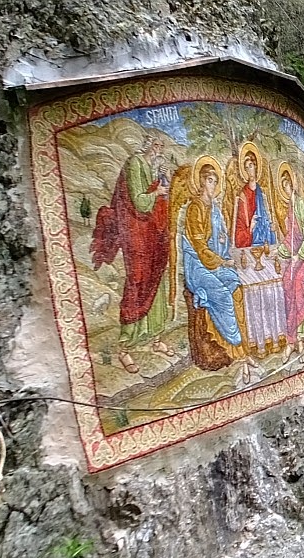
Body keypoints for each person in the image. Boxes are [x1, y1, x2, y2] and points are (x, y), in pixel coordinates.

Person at [90, 134, 176, 374]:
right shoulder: (135, 164)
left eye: (161, 146)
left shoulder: (153, 165)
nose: (158, 149)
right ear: (147, 145)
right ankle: (125, 346)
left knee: (157, 280)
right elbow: (138, 202)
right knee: (138, 281)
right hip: (137, 233)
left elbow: (162, 197)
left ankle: (155, 338)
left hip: (154, 233)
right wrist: (157, 191)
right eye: (156, 145)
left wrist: (164, 185)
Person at [178, 156, 258, 382]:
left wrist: (224, 244)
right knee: (222, 295)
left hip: (215, 262)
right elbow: (199, 246)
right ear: (202, 183)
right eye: (210, 181)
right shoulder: (195, 208)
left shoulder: (214, 208)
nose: (213, 186)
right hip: (198, 266)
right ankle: (237, 354)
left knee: (237, 288)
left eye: (215, 181)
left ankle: (240, 348)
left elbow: (222, 239)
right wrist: (222, 262)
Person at [274, 162, 304, 366]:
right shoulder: (289, 209)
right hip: (295, 258)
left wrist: (300, 256)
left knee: (297, 284)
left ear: (292, 185)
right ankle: (292, 339)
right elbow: (290, 238)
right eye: (282, 186)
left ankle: (299, 340)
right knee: (286, 284)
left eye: (288, 185)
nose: (286, 189)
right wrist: (281, 252)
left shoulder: (300, 204)